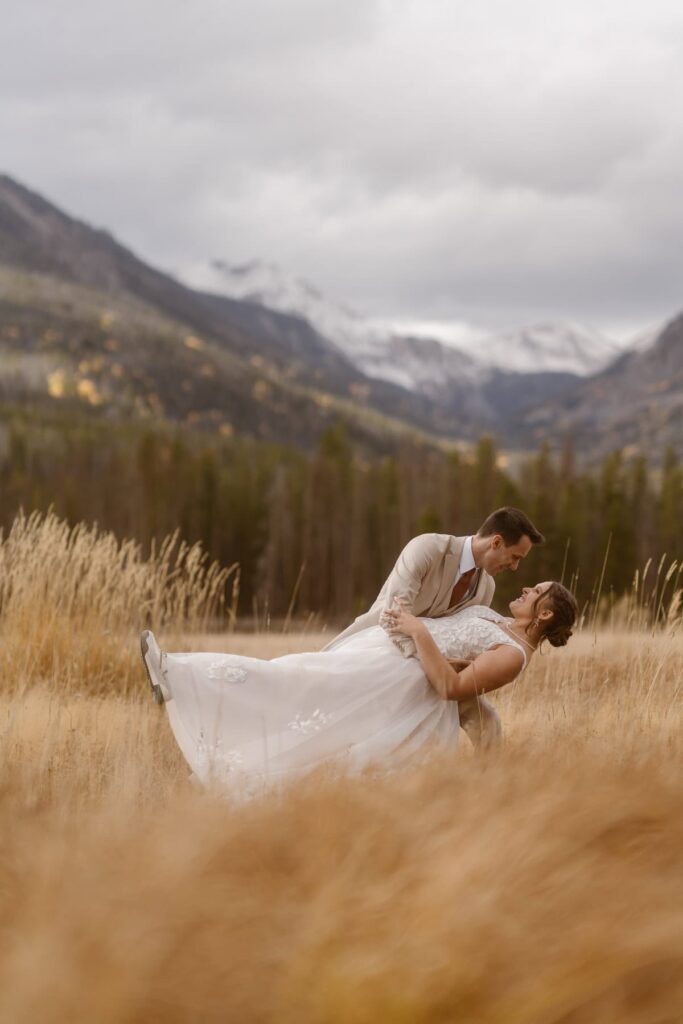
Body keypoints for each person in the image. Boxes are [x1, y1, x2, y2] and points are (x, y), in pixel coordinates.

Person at [140, 580, 576, 799]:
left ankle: (177, 672)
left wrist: (417, 631)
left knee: (294, 680)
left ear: (543, 615)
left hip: (398, 682)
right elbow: (458, 661)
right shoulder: (499, 623)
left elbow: (449, 688)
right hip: (388, 656)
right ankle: (181, 679)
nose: (525, 588)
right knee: (298, 681)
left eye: (535, 592)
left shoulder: (514, 654)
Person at [325, 507, 544, 747]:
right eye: (515, 557)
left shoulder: (486, 587)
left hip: (436, 669)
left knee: (488, 722)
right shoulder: (428, 548)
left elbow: (459, 636)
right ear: (496, 542)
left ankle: (487, 780)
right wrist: (430, 662)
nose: (514, 567)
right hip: (382, 644)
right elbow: (393, 617)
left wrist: (460, 666)